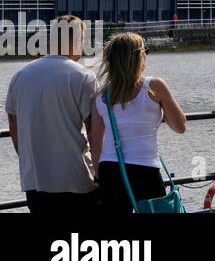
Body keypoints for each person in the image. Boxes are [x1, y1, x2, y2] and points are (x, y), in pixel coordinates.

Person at [3, 17, 98, 213]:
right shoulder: (83, 76)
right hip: (76, 179)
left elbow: (13, 123)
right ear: (78, 39)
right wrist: (100, 172)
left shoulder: (21, 75)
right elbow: (94, 130)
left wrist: (29, 158)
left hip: (35, 179)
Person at [89, 33, 187, 212]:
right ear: (138, 56)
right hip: (145, 167)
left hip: (110, 169)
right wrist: (163, 110)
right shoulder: (154, 86)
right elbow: (180, 127)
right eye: (145, 52)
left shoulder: (102, 95)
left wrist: (98, 174)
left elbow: (95, 141)